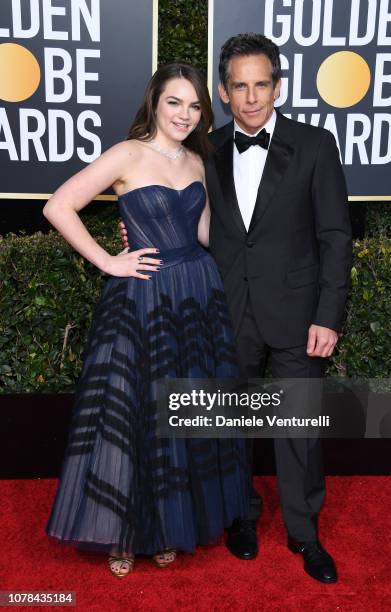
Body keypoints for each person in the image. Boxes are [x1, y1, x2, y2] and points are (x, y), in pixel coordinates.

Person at [121, 33, 354, 584]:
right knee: (233, 427)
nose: (251, 97)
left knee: (298, 428)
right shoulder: (207, 150)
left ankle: (304, 534)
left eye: (261, 85)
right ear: (224, 92)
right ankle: (240, 518)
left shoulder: (316, 144)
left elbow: (336, 237)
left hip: (300, 315)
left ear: (278, 86)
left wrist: (329, 314)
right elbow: (184, 218)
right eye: (239, 86)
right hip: (226, 309)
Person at [44, 62, 250, 578]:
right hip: (143, 297)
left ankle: (165, 527)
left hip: (197, 293)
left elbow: (204, 233)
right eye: (174, 102)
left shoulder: (200, 161)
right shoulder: (127, 153)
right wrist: (111, 260)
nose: (185, 114)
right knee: (133, 414)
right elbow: (59, 205)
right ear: (155, 102)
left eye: (195, 105)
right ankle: (124, 531)